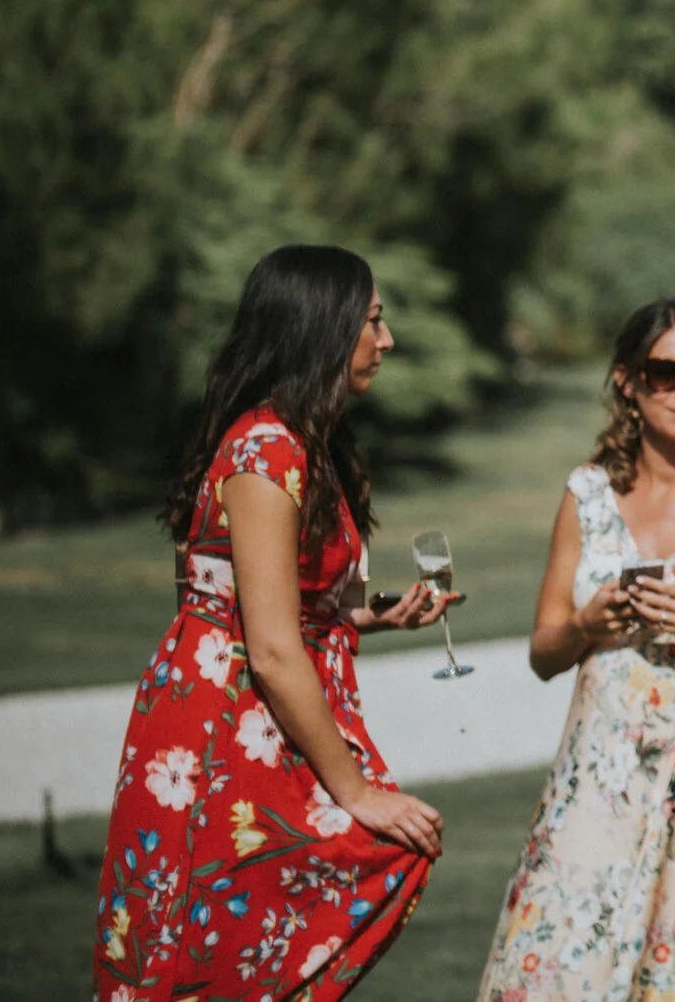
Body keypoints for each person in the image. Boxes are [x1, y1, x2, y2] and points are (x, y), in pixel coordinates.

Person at [95, 245, 450, 1002]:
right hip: (228, 724)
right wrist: (356, 792)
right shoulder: (266, 450)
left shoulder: (306, 445)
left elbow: (269, 602)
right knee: (225, 937)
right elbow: (270, 645)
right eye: (374, 321)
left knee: (267, 932)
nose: (386, 341)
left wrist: (374, 615)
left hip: (259, 706)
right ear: (324, 328)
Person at [477, 299, 675, 1002]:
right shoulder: (587, 495)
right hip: (596, 778)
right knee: (561, 968)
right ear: (627, 382)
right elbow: (544, 652)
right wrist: (586, 622)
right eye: (665, 370)